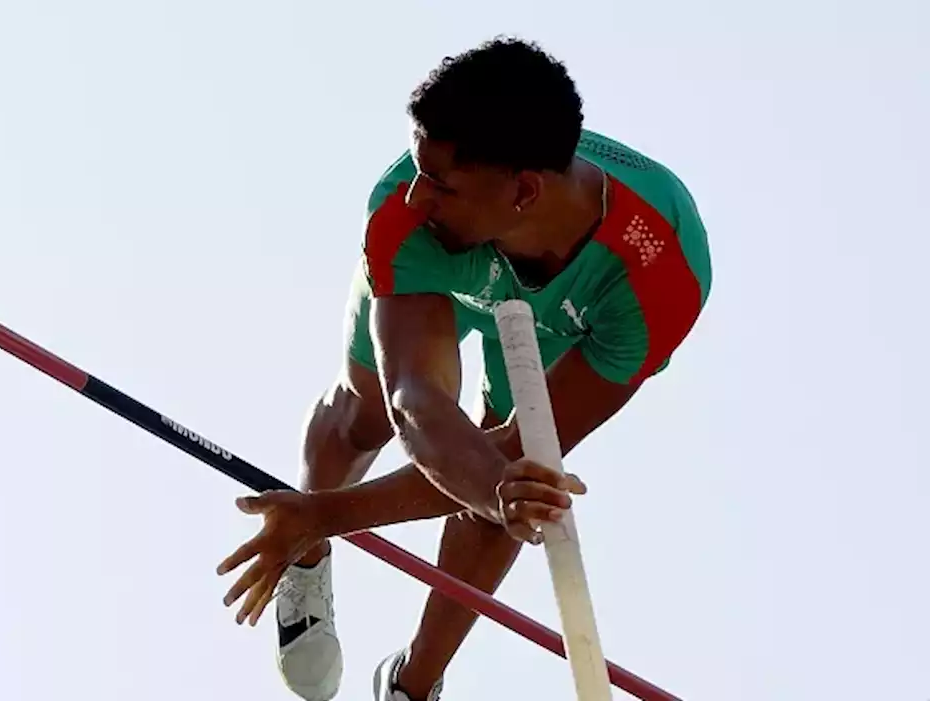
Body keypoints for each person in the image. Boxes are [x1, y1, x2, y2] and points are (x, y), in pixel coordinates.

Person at [215, 36, 712, 701]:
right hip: (447, 275)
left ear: (526, 190)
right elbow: (413, 402)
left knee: (509, 479)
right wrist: (319, 519)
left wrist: (495, 486)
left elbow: (508, 453)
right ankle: (305, 560)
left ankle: (411, 685)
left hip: (565, 316)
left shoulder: (660, 275)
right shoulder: (406, 212)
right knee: (362, 418)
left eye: (440, 184)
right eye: (419, 168)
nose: (417, 194)